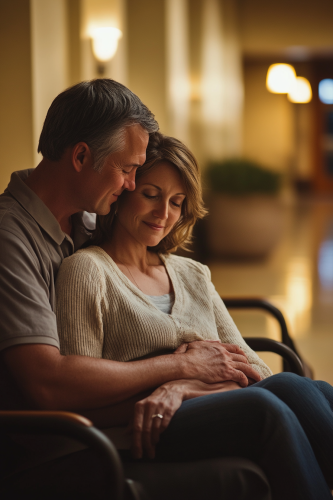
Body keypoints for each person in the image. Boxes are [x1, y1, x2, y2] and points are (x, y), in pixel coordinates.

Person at [0, 79, 272, 499]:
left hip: (119, 419)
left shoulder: (92, 224)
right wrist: (179, 369)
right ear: (81, 156)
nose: (130, 185)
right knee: (267, 412)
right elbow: (47, 384)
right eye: (128, 171)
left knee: (293, 396)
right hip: (52, 441)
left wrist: (182, 386)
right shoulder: (10, 237)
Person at [55, 132, 333, 500]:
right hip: (138, 429)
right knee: (268, 406)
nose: (163, 213)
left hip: (198, 407)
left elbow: (255, 372)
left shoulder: (192, 274)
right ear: (123, 192)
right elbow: (81, 394)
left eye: (176, 202)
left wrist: (185, 387)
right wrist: (176, 377)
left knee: (302, 387)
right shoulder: (86, 271)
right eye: (151, 195)